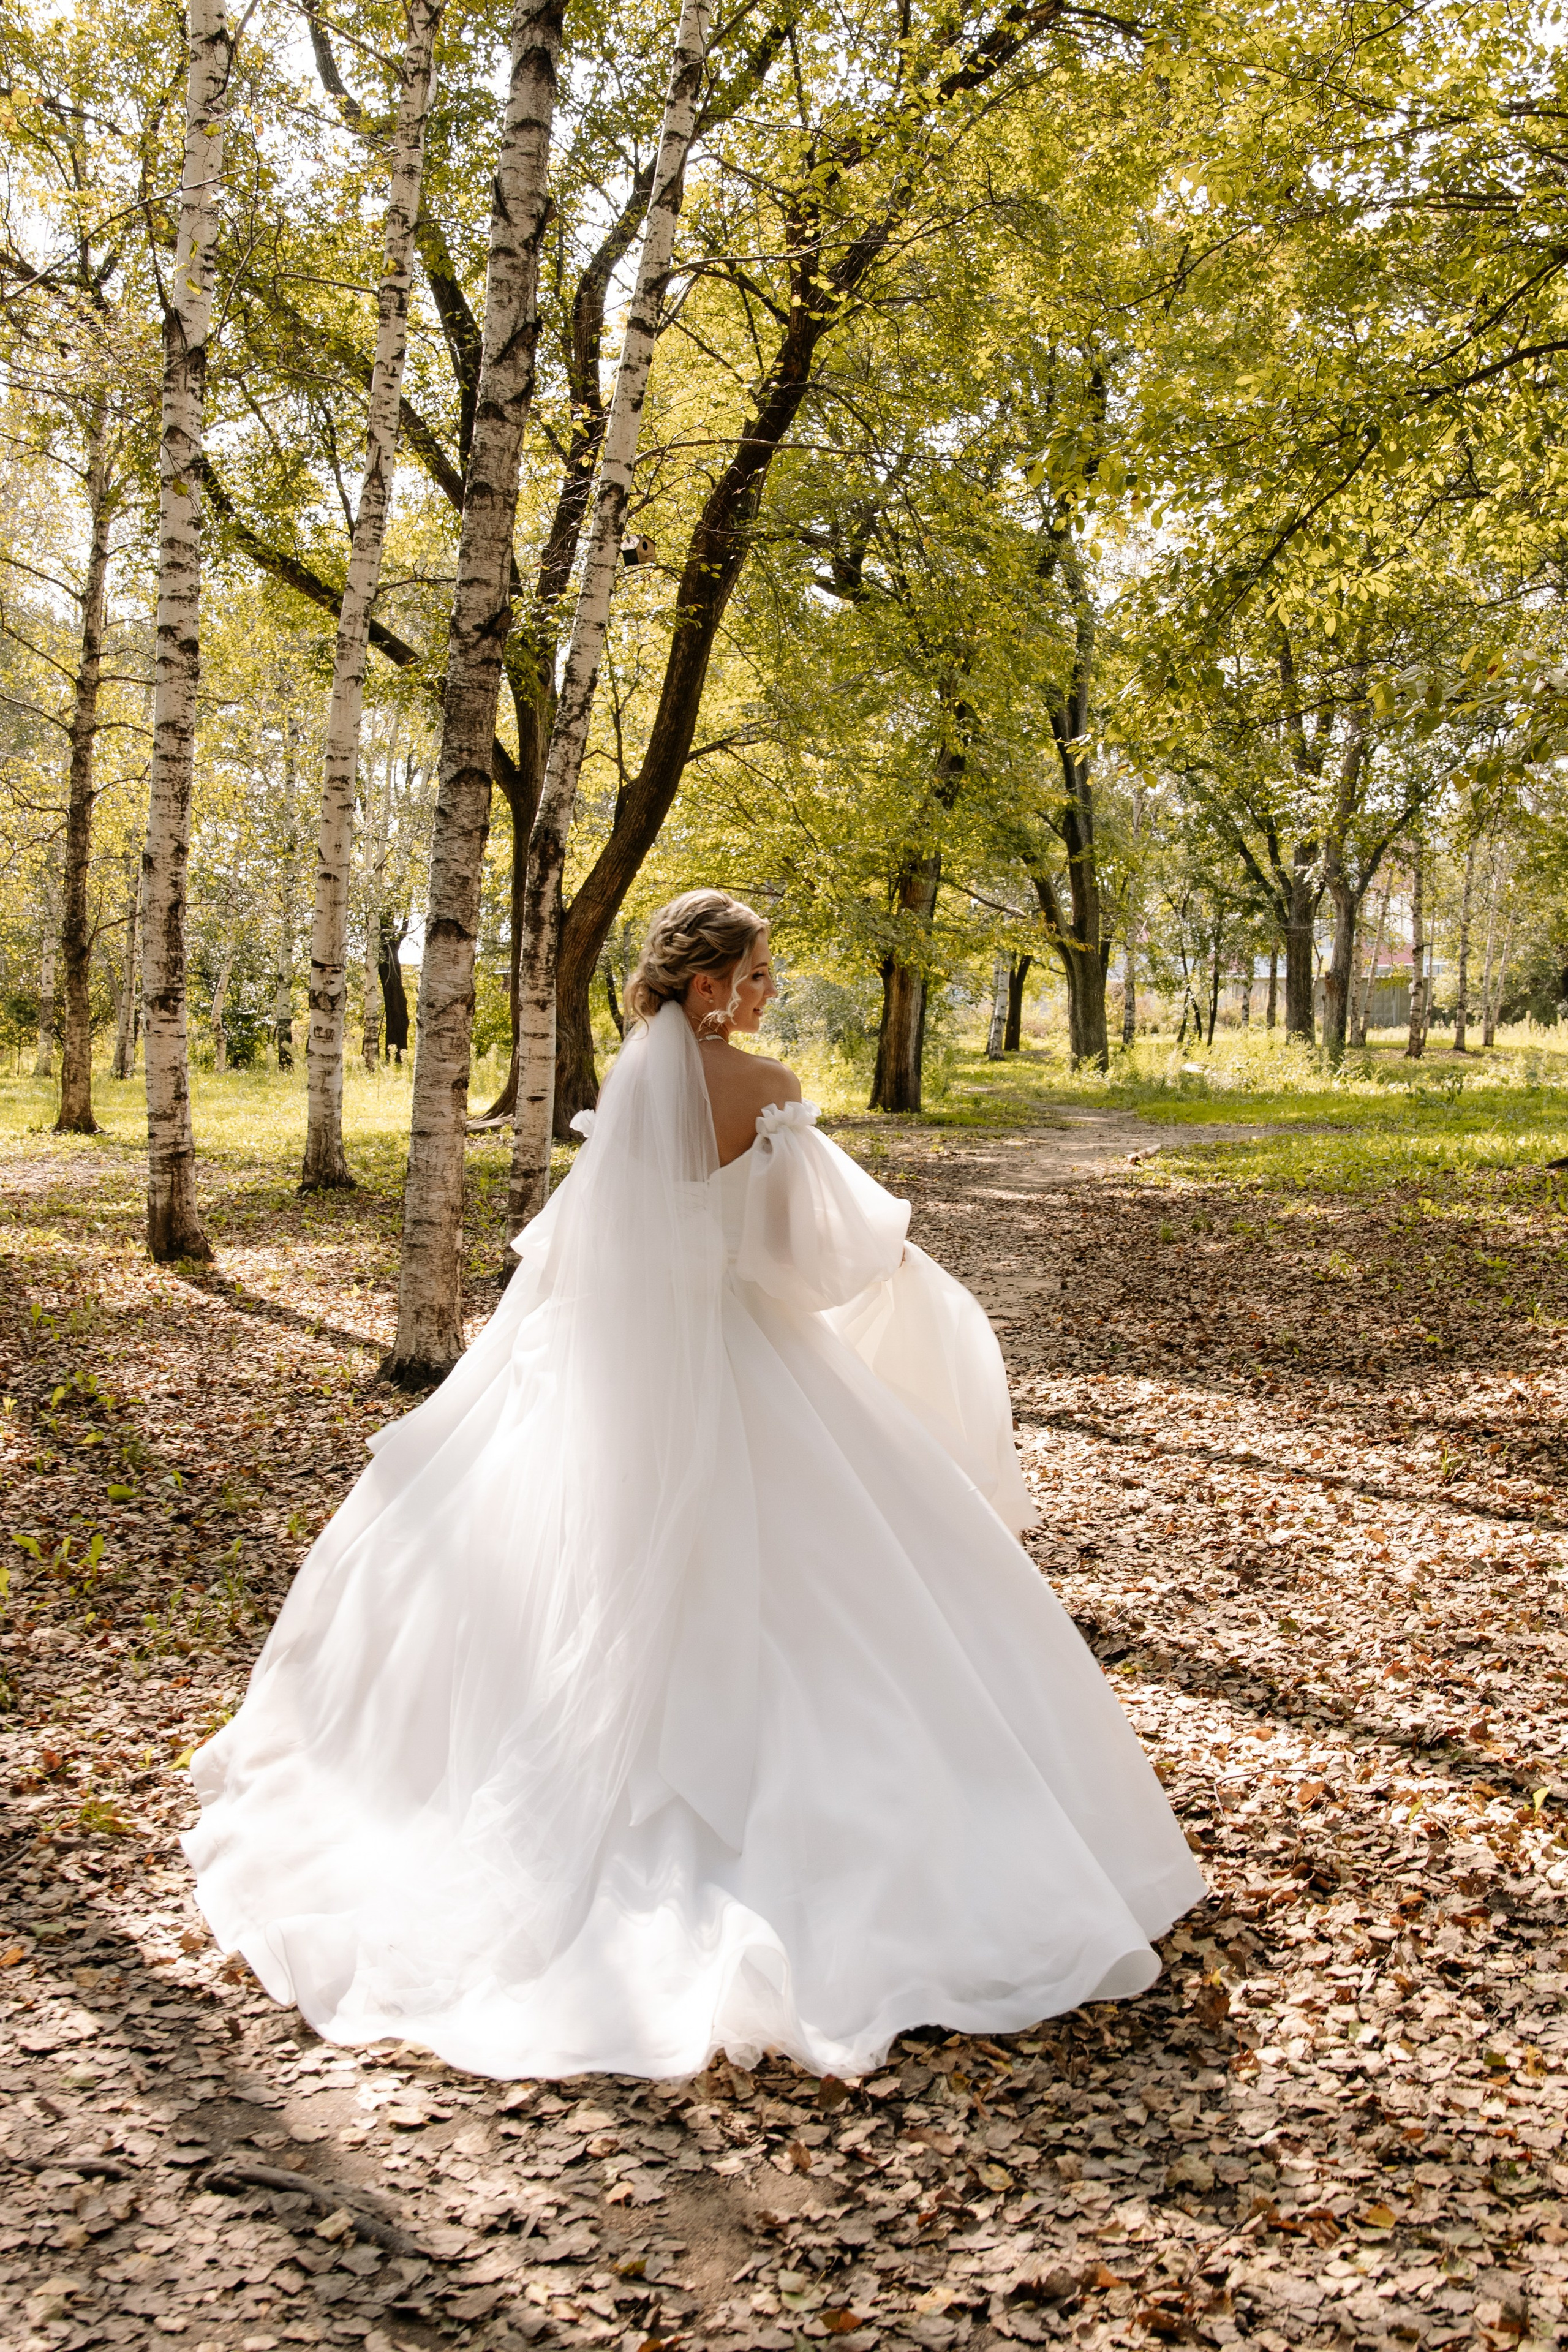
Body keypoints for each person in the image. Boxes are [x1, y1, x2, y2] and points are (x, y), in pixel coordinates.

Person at [184, 889, 1203, 2079]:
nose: (768, 992)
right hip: (744, 1353)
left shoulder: (626, 1091)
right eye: (759, 974)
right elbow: (806, 1258)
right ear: (709, 986)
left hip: (616, 1374)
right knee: (851, 1594)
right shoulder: (762, 1092)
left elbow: (584, 1258)